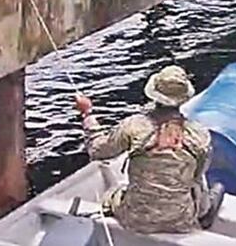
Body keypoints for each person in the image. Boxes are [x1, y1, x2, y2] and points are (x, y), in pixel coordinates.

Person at [75, 65, 225, 234]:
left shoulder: (133, 126)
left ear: (154, 95)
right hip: (182, 220)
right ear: (184, 98)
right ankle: (204, 215)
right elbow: (198, 175)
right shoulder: (200, 135)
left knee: (112, 194)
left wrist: (87, 114)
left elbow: (98, 151)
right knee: (211, 186)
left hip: (134, 218)